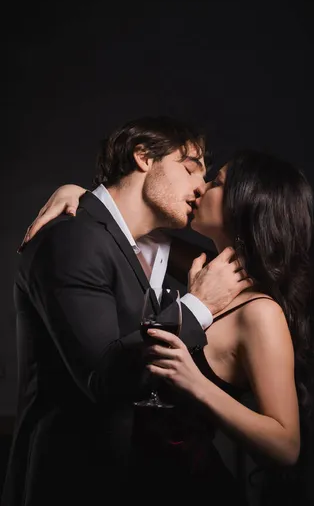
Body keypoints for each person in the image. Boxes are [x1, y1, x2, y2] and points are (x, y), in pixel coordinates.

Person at [19, 147, 314, 505]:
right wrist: (75, 192)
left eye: (217, 182)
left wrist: (197, 386)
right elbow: (125, 228)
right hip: (134, 485)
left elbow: (286, 446)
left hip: (191, 489)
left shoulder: (259, 312)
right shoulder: (203, 270)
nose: (201, 187)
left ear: (246, 205)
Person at [2, 116, 252, 506]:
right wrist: (198, 306)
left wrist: (78, 191)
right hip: (72, 485)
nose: (200, 186)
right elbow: (104, 377)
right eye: (189, 168)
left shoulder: (150, 249)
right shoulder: (72, 239)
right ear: (142, 157)